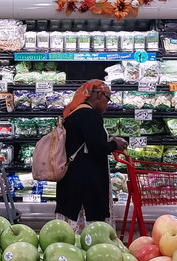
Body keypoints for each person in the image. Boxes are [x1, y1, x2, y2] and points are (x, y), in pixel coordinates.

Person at [55, 79, 128, 234]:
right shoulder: (90, 115)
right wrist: (116, 144)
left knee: (70, 231)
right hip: (86, 184)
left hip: (71, 181)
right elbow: (97, 148)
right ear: (100, 95)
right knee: (91, 232)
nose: (107, 105)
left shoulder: (73, 114)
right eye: (107, 100)